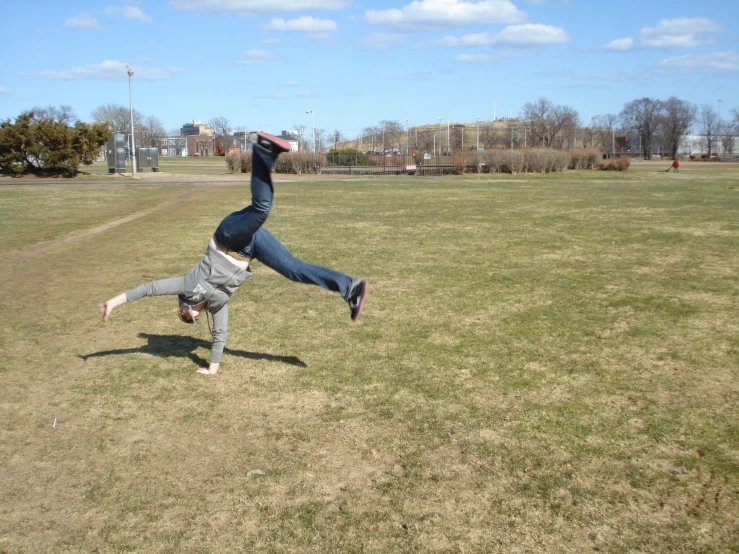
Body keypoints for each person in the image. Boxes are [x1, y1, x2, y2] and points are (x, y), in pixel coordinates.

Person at [100, 132, 368, 376]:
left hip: (227, 237)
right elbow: (219, 335)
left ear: (185, 303)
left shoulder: (188, 285)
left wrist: (113, 302)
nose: (183, 315)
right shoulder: (217, 303)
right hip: (250, 249)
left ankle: (263, 151)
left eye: (181, 313)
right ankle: (351, 287)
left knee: (261, 209)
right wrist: (212, 370)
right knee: (293, 269)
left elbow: (150, 289)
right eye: (186, 319)